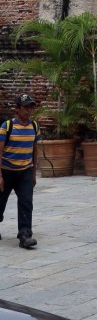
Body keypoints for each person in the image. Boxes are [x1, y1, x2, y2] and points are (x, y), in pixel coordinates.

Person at [0, 93, 41, 250]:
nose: (28, 110)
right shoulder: (7, 127)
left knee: (26, 202)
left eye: (31, 107)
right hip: (6, 171)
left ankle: (25, 235)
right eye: (25, 107)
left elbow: (35, 150)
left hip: (25, 171)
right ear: (17, 109)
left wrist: (33, 173)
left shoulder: (34, 126)